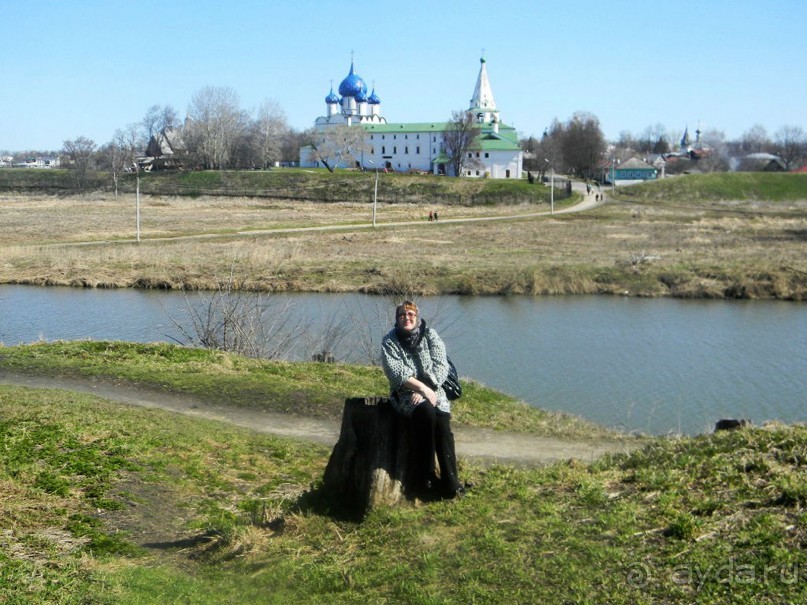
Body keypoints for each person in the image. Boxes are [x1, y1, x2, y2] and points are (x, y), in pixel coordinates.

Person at [381, 300, 464, 499]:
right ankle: (425, 477)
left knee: (442, 423)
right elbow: (396, 373)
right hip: (406, 393)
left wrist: (429, 388)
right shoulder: (389, 341)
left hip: (435, 389)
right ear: (397, 319)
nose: (406, 318)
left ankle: (451, 482)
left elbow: (441, 365)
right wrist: (421, 389)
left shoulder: (430, 335)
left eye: (410, 314)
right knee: (425, 414)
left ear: (416, 317)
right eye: (402, 315)